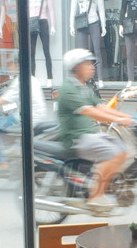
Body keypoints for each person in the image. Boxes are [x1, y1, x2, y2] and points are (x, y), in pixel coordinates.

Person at [56, 49, 132, 210]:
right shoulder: (68, 89)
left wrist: (127, 117)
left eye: (91, 64)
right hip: (76, 139)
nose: (92, 67)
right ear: (76, 67)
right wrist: (118, 120)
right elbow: (89, 111)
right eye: (87, 64)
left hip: (88, 135)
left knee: (123, 149)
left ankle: (101, 185)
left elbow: (100, 107)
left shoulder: (84, 87)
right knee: (113, 153)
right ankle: (95, 196)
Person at [69, 0, 107, 87]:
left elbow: (101, 10)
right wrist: (71, 25)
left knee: (97, 50)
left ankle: (100, 78)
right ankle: (83, 79)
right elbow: (73, 10)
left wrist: (103, 25)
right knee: (82, 52)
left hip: (93, 21)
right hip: (81, 23)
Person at [27, 0, 56, 87]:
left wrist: (53, 25)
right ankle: (32, 77)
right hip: (31, 21)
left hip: (43, 21)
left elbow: (51, 10)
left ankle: (50, 78)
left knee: (46, 50)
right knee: (31, 52)